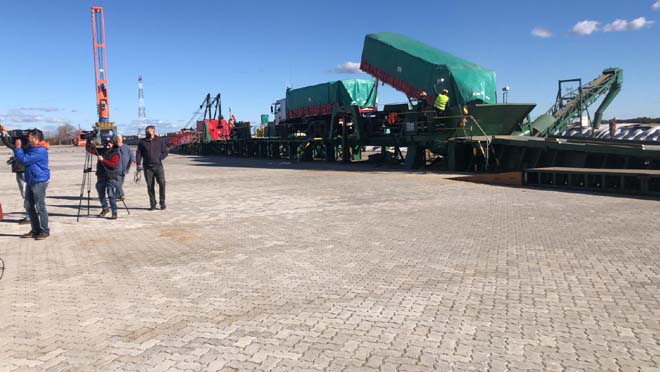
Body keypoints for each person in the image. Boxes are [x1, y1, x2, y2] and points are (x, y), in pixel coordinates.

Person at [7, 128, 50, 240]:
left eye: (29, 136)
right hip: (31, 179)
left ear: (35, 138)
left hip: (39, 180)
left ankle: (45, 230)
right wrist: (5, 134)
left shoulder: (40, 150)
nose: (27, 138)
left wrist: (18, 148)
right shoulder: (32, 147)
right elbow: (14, 145)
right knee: (29, 206)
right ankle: (35, 230)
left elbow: (24, 160)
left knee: (40, 206)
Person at [0, 125, 30, 224]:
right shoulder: (17, 147)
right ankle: (29, 215)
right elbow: (7, 142)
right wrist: (4, 133)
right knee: (24, 194)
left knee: (26, 194)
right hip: (19, 171)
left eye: (18, 140)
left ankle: (30, 216)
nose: (16, 141)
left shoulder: (26, 147)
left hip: (24, 171)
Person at [87, 137, 120, 219]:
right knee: (100, 193)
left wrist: (103, 160)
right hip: (101, 176)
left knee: (111, 194)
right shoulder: (101, 151)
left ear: (113, 144)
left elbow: (113, 165)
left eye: (110, 143)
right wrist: (88, 140)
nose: (107, 144)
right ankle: (105, 208)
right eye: (106, 143)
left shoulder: (115, 153)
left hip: (111, 176)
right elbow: (89, 149)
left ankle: (114, 212)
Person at [136, 125, 168, 210]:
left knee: (162, 183)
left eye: (148, 132)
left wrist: (160, 158)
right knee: (150, 186)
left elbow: (165, 152)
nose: (147, 133)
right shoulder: (142, 142)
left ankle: (162, 202)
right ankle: (152, 203)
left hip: (158, 166)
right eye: (146, 132)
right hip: (147, 167)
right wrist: (138, 164)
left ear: (153, 132)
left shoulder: (160, 141)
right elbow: (138, 153)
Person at [115, 135, 135, 201]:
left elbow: (131, 154)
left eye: (119, 138)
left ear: (122, 139)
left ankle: (117, 195)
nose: (118, 140)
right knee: (118, 183)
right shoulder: (114, 147)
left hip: (125, 168)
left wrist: (132, 160)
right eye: (117, 138)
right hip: (116, 169)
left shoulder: (126, 147)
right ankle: (121, 195)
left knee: (120, 183)